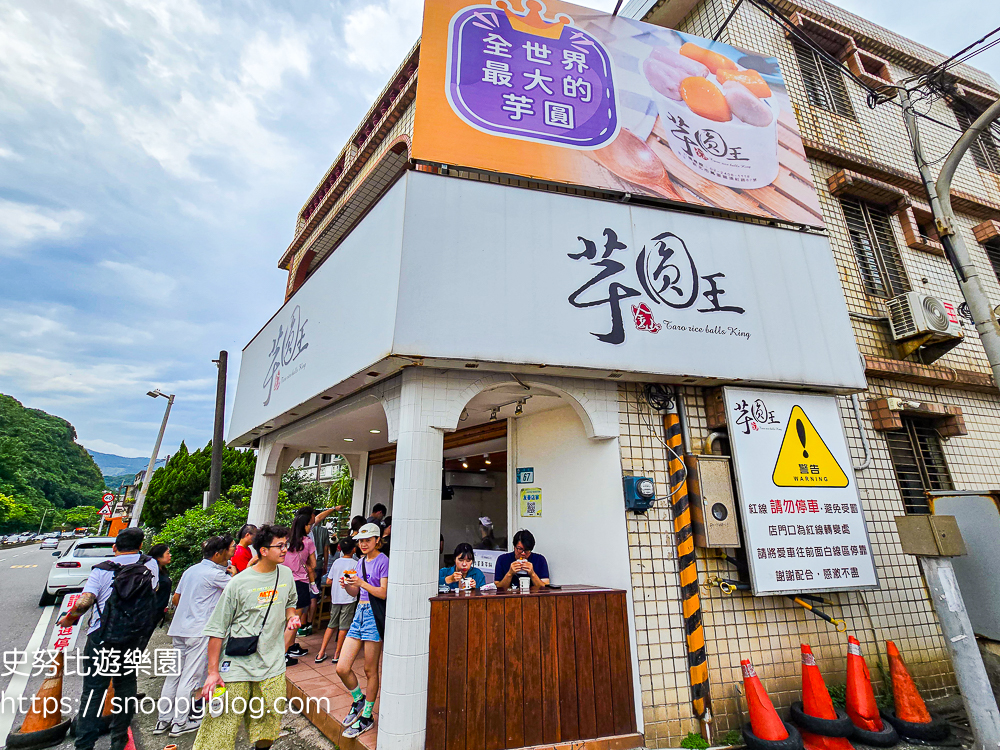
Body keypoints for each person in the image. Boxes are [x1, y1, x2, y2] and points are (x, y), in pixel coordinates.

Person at [193, 525, 299, 750]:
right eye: (279, 546)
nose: (284, 550)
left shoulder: (287, 574)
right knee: (220, 726)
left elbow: (290, 602)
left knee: (270, 722)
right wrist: (213, 672)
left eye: (285, 545)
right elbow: (217, 629)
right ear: (263, 550)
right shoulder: (238, 583)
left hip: (272, 664)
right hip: (236, 665)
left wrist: (291, 618)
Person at [58, 528, 160, 750]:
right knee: (126, 686)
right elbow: (154, 589)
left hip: (102, 639)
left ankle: (84, 744)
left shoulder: (101, 571)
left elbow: (84, 603)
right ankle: (119, 738)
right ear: (140, 546)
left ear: (115, 547)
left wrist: (69, 619)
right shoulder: (150, 565)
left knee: (93, 692)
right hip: (134, 637)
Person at [154, 535, 235, 737]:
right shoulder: (214, 574)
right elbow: (237, 591)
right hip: (198, 632)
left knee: (173, 676)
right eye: (229, 549)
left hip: (180, 628)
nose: (231, 551)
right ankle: (180, 723)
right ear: (218, 554)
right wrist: (234, 573)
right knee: (189, 678)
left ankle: (163, 720)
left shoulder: (192, 570)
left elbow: (176, 598)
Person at [336, 523, 387, 739]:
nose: (363, 544)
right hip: (359, 613)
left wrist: (361, 583)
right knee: (342, 667)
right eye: (360, 541)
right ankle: (358, 700)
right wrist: (347, 584)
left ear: (377, 540)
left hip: (374, 617)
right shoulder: (361, 563)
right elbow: (355, 591)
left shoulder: (383, 561)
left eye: (368, 540)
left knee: (369, 670)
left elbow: (383, 593)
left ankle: (367, 715)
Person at [314, 537, 359, 663]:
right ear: (354, 549)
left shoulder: (336, 562)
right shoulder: (356, 564)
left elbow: (329, 580)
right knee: (343, 627)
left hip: (335, 598)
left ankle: (321, 652)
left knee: (331, 625)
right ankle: (337, 654)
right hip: (349, 598)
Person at [282, 513, 316, 660]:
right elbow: (313, 564)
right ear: (304, 526)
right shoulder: (307, 542)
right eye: (310, 525)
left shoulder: (286, 541)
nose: (310, 528)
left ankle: (289, 648)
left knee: (285, 619)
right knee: (294, 619)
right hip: (300, 583)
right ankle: (282, 653)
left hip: (284, 582)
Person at [149, 543, 173, 627]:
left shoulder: (163, 571)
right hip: (151, 613)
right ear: (158, 557)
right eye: (167, 553)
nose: (170, 555)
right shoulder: (152, 572)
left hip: (158, 612)